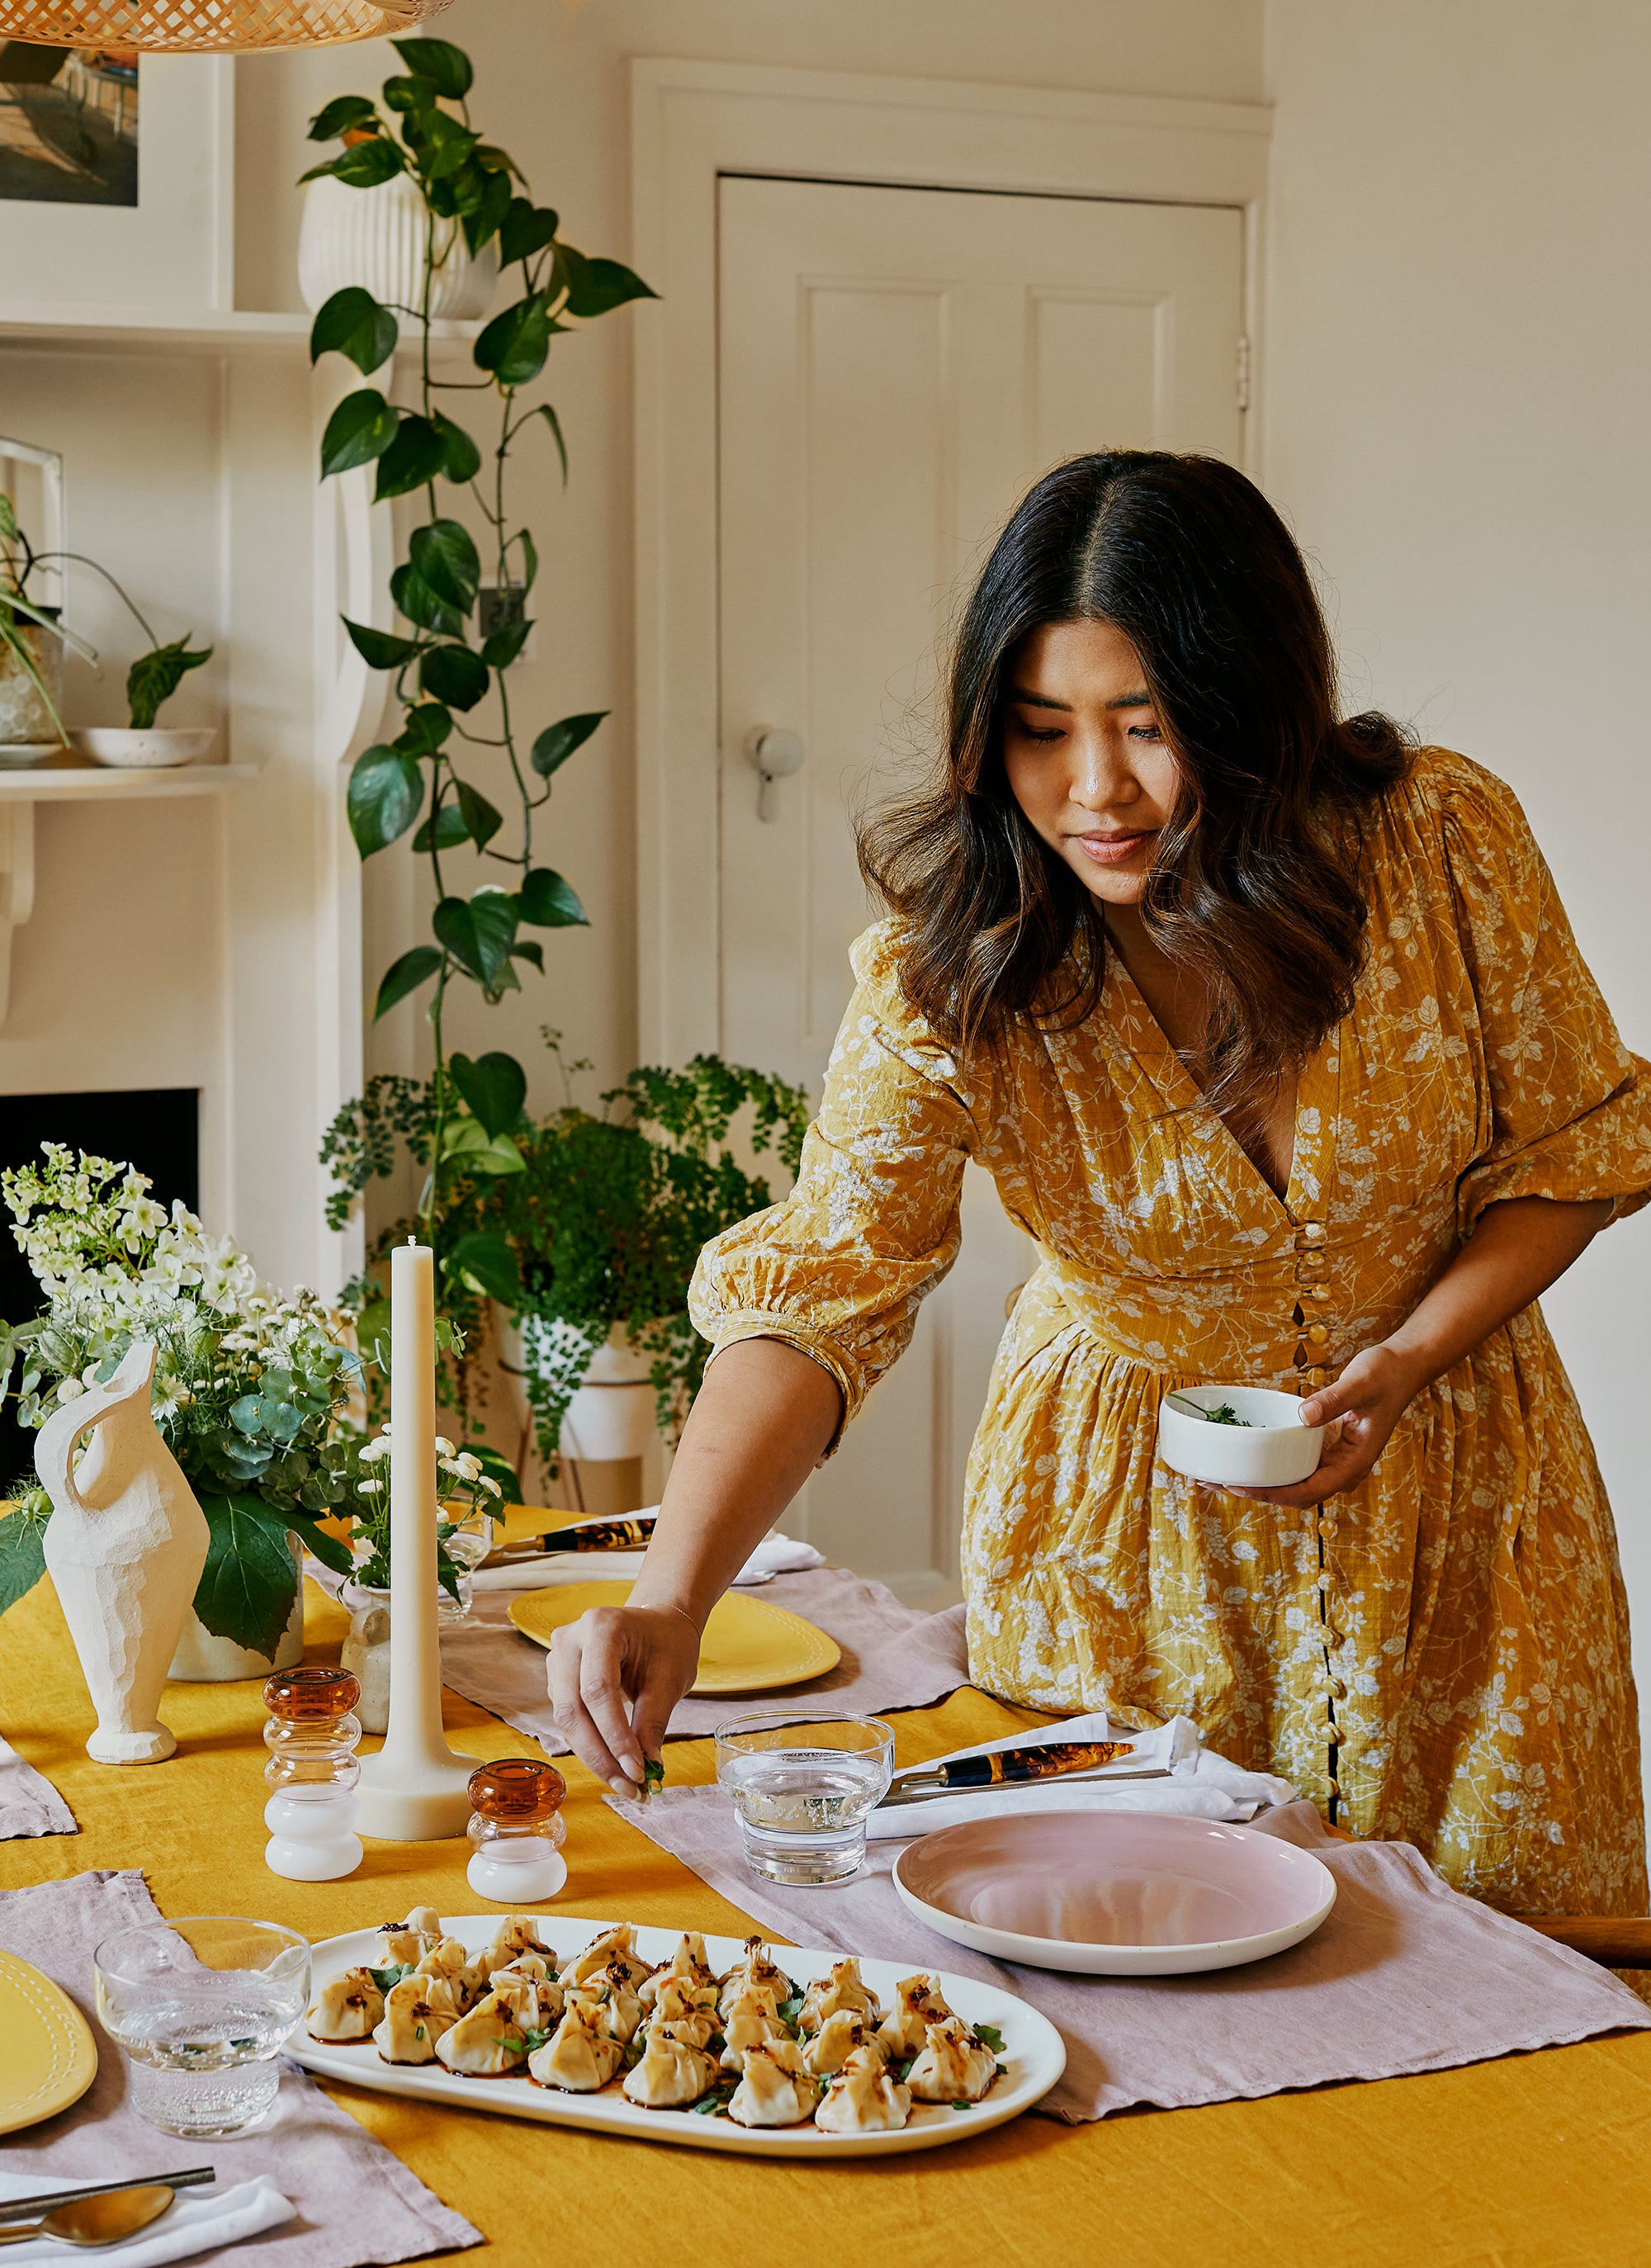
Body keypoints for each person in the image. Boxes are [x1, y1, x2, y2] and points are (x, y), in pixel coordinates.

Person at [549, 450, 1651, 1915]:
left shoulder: (1441, 842)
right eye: (1040, 730)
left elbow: (1579, 1145)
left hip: (1467, 1504)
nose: (1095, 791)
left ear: (1253, 705)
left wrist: (1412, 1353)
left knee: (1520, 2014)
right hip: (1125, 1541)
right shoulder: (957, 966)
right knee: (1142, 1982)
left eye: (1147, 725)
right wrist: (671, 1598)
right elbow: (823, 1292)